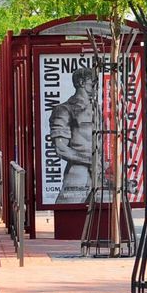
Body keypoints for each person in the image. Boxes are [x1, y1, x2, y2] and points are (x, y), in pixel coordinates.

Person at [50, 65, 100, 203]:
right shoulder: (64, 110)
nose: (97, 85)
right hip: (78, 173)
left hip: (101, 173)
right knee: (68, 212)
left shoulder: (98, 109)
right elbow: (61, 148)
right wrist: (90, 161)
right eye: (93, 81)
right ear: (81, 82)